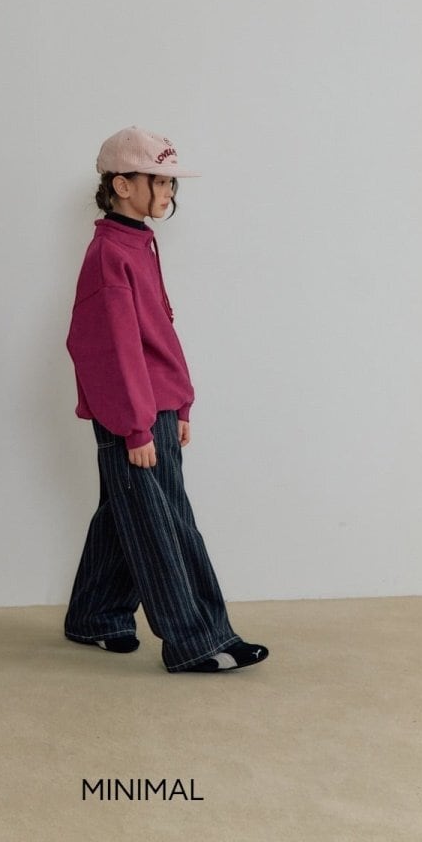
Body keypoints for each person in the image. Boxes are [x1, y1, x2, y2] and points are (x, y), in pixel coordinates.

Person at [64, 126, 269, 673]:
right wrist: (134, 425)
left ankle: (95, 616)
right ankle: (196, 639)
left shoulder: (139, 242)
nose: (168, 192)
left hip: (155, 405)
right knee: (163, 525)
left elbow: (158, 332)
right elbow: (110, 349)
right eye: (158, 181)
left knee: (127, 511)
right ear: (122, 185)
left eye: (171, 183)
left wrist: (181, 402)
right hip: (131, 411)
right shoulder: (109, 253)